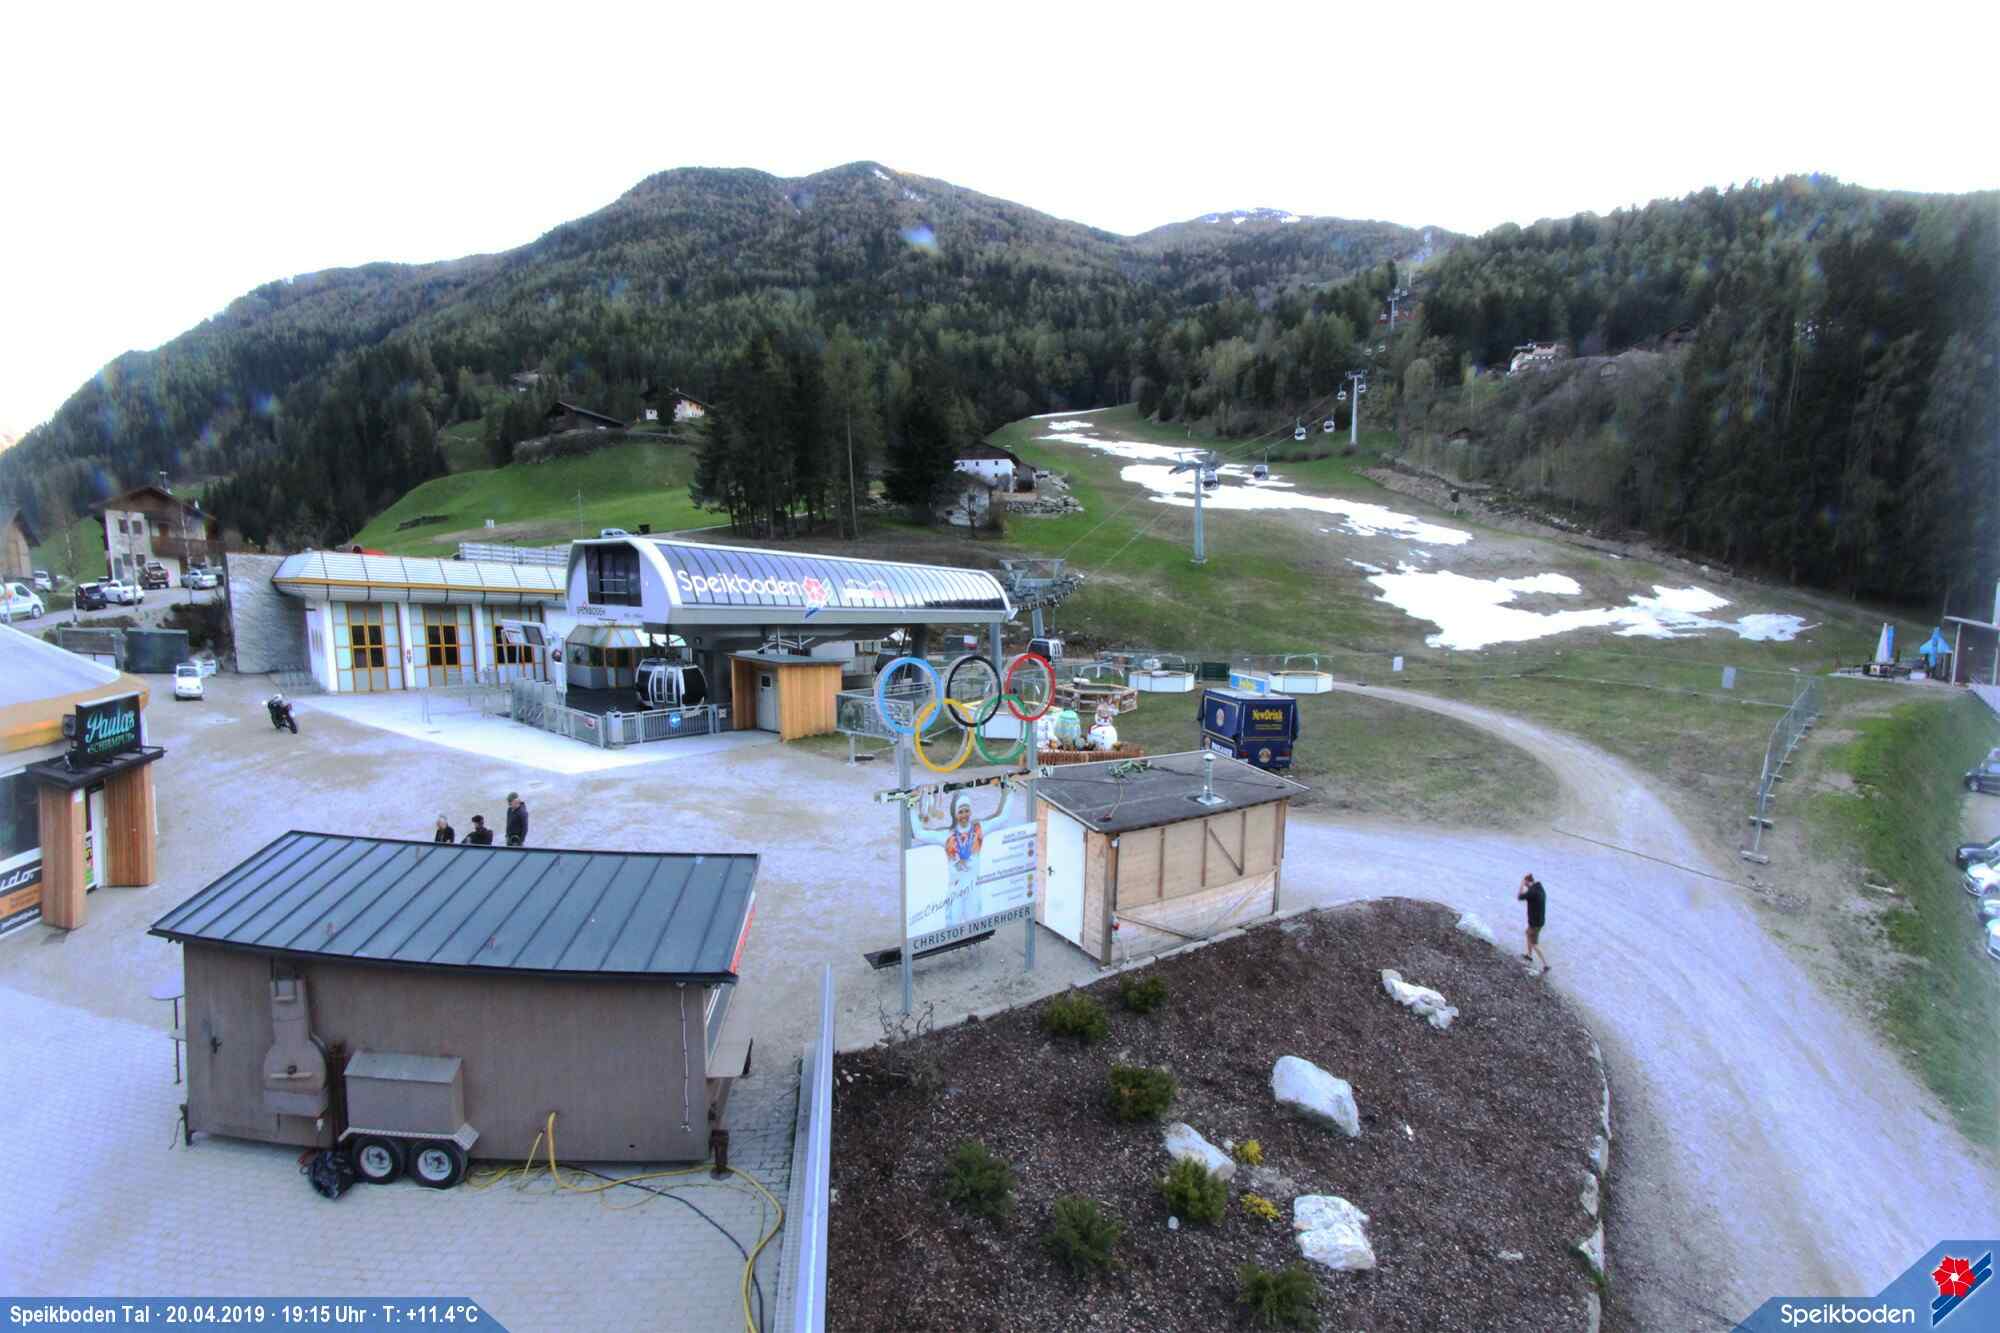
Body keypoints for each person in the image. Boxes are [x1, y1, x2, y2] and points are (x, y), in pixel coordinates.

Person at [1517, 873, 1550, 973]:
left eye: (1526, 883)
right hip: (1539, 920)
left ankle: (1546, 965)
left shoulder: (1532, 892)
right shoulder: (1540, 888)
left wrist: (1521, 885)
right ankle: (1529, 955)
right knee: (1527, 933)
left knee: (1534, 943)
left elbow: (1520, 897)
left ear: (1528, 882)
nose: (1525, 885)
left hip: (1535, 923)